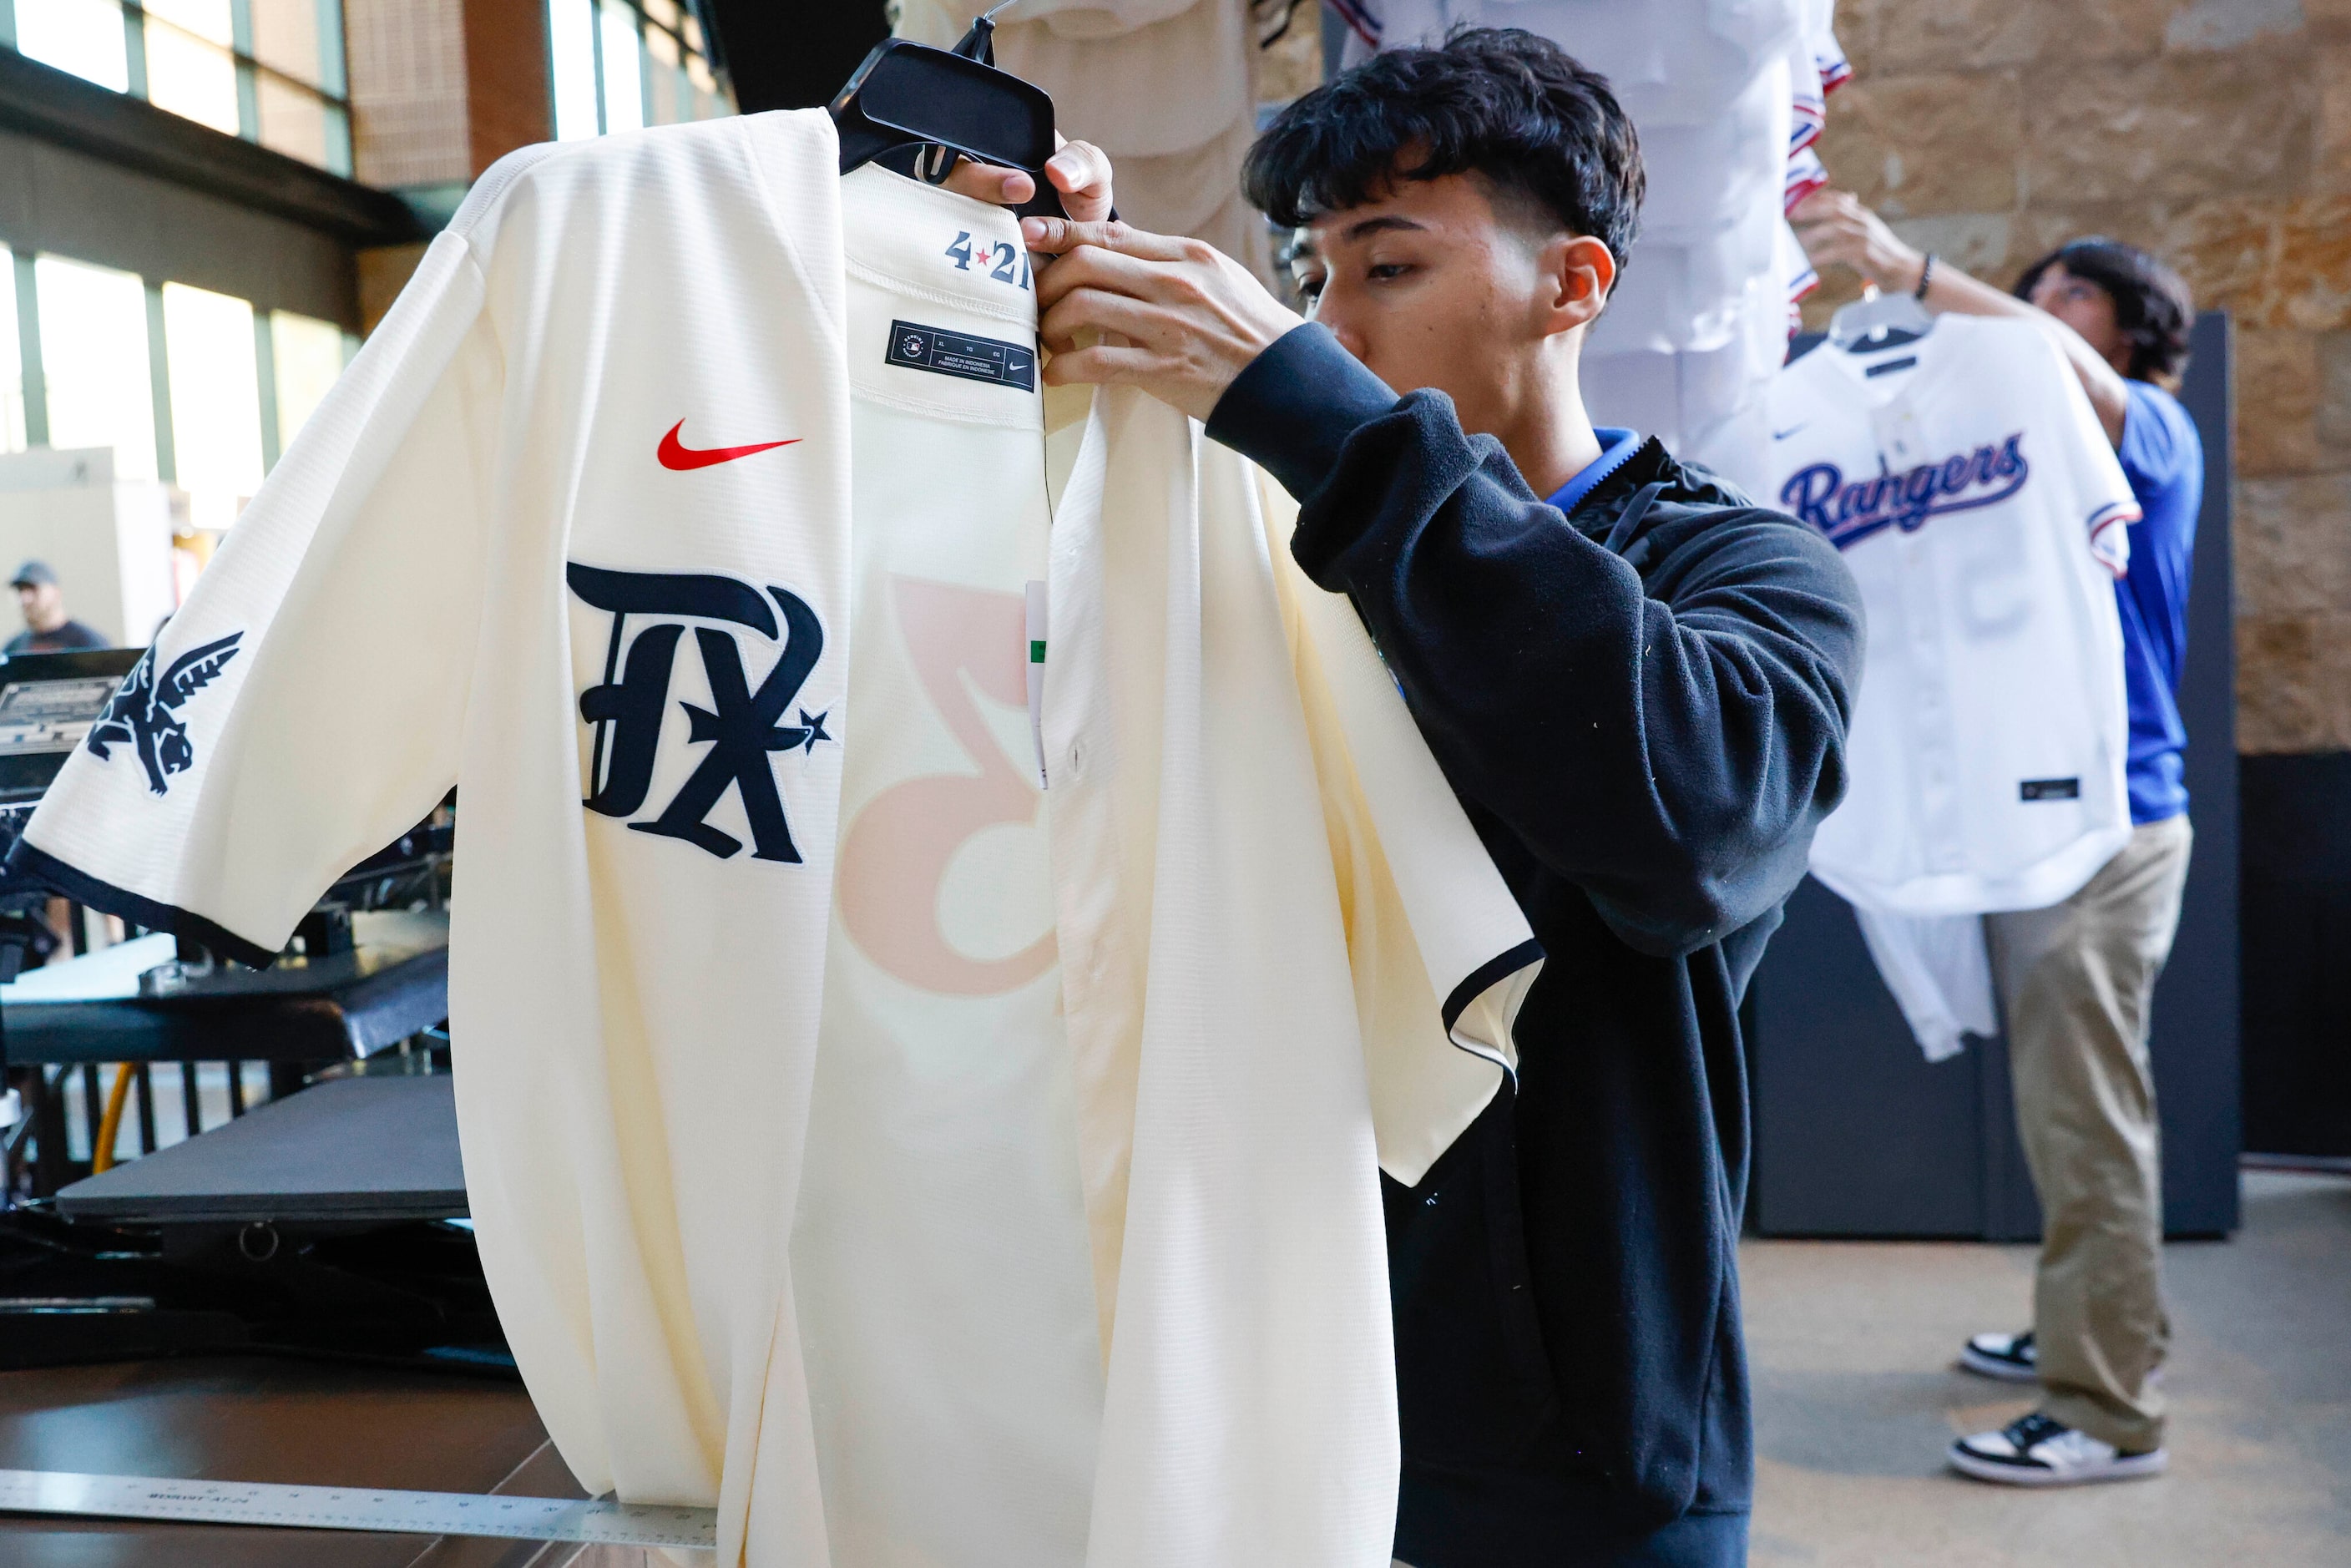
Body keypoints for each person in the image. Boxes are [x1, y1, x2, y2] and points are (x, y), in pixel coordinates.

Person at [960, 28, 1865, 1565]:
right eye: (1309, 281)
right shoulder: (1279, 545)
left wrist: (1311, 416)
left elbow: (1690, 828)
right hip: (1265, 1366)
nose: (1335, 323)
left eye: (1387, 267)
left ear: (1572, 284)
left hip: (1577, 1439)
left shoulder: (1741, 575)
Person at [1794, 190, 2202, 1488]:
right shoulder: (2021, 426)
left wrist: (1909, 267)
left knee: (2088, 1116)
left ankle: (2110, 1411)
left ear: (2133, 330)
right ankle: (2098, 1327)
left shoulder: (2158, 431)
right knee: (2067, 1108)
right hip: (2035, 816)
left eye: (2070, 291)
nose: (2038, 308)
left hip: (2115, 820)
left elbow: (2051, 365)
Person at [5, 561, 109, 654]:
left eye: (33, 589)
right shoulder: (13, 649)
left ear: (56, 592)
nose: (25, 599)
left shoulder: (89, 644)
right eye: (20, 591)